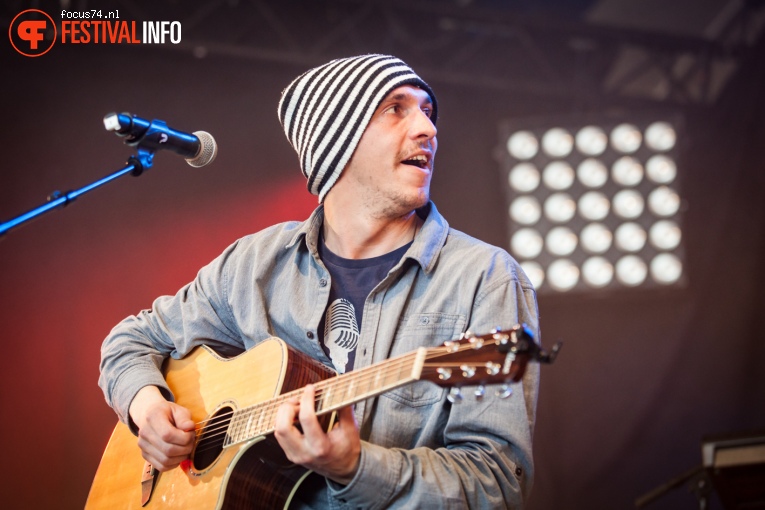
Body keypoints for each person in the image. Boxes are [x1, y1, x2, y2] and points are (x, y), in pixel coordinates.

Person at [99, 54, 541, 509]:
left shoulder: (483, 278)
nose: (428, 129)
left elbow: (497, 485)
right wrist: (148, 409)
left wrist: (355, 467)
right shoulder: (255, 264)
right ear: (337, 144)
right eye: (396, 108)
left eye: (427, 111)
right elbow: (130, 341)